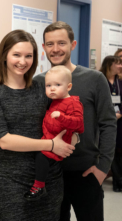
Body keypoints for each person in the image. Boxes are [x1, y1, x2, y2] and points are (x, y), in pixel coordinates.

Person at [0, 30, 75, 221]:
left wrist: (73, 136)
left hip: (49, 180)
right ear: (4, 56)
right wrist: (51, 145)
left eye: (28, 56)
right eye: (16, 55)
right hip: (10, 183)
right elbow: (5, 141)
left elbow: (66, 118)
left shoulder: (43, 89)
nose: (22, 61)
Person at [35, 21, 116, 221]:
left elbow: (108, 123)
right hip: (52, 172)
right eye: (50, 44)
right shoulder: (38, 82)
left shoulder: (95, 79)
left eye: (61, 43)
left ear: (73, 44)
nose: (55, 49)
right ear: (43, 47)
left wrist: (103, 168)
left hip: (87, 172)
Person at [25, 65, 84, 201]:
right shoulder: (55, 101)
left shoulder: (73, 103)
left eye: (57, 85)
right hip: (49, 138)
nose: (52, 88)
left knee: (42, 156)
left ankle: (39, 186)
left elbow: (78, 123)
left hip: (62, 141)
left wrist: (62, 117)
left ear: (68, 87)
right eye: (48, 85)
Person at [100, 56, 122, 192]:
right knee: (110, 149)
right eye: (118, 64)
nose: (120, 66)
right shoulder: (100, 80)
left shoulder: (120, 81)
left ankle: (119, 180)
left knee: (119, 150)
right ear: (109, 65)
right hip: (105, 121)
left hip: (120, 120)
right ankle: (117, 180)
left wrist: (120, 114)